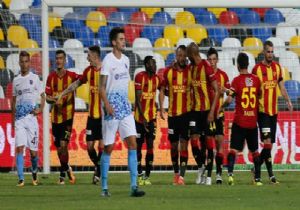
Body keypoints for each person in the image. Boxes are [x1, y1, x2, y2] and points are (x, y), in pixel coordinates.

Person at [99, 27, 145, 197]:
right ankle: (104, 187)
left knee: (133, 143)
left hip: (125, 108)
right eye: (120, 39)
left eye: (124, 39)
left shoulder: (126, 60)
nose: (123, 41)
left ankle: (134, 187)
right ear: (113, 42)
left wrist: (129, 102)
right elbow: (101, 87)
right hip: (112, 109)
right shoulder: (107, 61)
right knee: (109, 148)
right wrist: (107, 105)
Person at [56, 46, 103, 184]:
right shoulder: (88, 71)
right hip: (91, 117)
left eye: (88, 55)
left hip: (103, 117)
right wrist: (62, 93)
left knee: (102, 145)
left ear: (94, 56)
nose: (87, 58)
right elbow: (76, 84)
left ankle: (99, 173)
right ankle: (98, 167)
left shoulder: (106, 70)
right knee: (89, 147)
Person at [252, 41, 293, 184]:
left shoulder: (277, 68)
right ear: (263, 52)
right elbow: (252, 90)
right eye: (268, 51)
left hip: (273, 112)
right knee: (267, 143)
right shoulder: (256, 69)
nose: (270, 54)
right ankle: (262, 170)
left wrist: (288, 101)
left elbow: (281, 87)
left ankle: (269, 174)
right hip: (262, 112)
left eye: (272, 51)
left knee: (269, 145)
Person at [222, 52, 262, 186]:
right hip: (252, 122)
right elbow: (259, 95)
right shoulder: (256, 80)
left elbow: (229, 99)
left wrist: (221, 107)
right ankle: (257, 179)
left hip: (239, 121)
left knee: (233, 150)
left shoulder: (237, 81)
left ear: (238, 65)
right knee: (255, 151)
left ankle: (231, 176)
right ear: (248, 64)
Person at [186, 42, 220, 185]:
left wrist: (212, 111)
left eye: (189, 56)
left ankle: (209, 176)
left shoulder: (206, 66)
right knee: (193, 140)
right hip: (194, 111)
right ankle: (201, 166)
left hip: (207, 111)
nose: (187, 58)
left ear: (193, 55)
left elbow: (217, 90)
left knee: (209, 143)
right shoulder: (191, 67)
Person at [159, 45, 192, 185]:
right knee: (173, 146)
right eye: (179, 55)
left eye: (184, 55)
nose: (182, 58)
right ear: (176, 56)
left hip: (187, 114)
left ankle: (182, 178)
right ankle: (175, 173)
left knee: (184, 144)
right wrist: (161, 108)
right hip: (172, 115)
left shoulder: (191, 71)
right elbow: (161, 90)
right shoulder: (168, 72)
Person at [12, 51, 45, 187]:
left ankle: (34, 173)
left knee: (33, 152)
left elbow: (43, 96)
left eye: (26, 61)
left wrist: (40, 109)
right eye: (22, 61)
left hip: (31, 119)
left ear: (29, 63)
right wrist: (14, 118)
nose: (24, 64)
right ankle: (20, 179)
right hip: (20, 120)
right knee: (19, 148)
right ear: (19, 63)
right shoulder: (16, 80)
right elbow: (13, 101)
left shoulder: (35, 78)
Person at [45, 50, 77, 185]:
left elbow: (83, 79)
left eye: (61, 58)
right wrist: (53, 101)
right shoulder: (50, 77)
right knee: (59, 148)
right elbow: (47, 98)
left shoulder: (72, 76)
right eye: (57, 58)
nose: (58, 61)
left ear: (65, 61)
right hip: (55, 118)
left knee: (64, 145)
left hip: (68, 117)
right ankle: (67, 167)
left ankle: (62, 174)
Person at [134, 56, 160, 186]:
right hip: (139, 119)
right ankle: (139, 174)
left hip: (151, 119)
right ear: (146, 65)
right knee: (137, 148)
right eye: (152, 63)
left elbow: (163, 90)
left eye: (155, 63)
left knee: (150, 147)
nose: (155, 65)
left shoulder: (156, 79)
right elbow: (137, 99)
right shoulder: (139, 77)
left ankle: (147, 176)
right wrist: (143, 118)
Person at [207, 47, 230, 184]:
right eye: (210, 59)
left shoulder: (223, 75)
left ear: (217, 60)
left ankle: (219, 173)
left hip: (219, 115)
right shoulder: (205, 75)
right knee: (209, 145)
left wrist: (223, 104)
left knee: (219, 142)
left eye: (214, 59)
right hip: (207, 115)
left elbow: (231, 94)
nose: (212, 62)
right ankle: (207, 170)